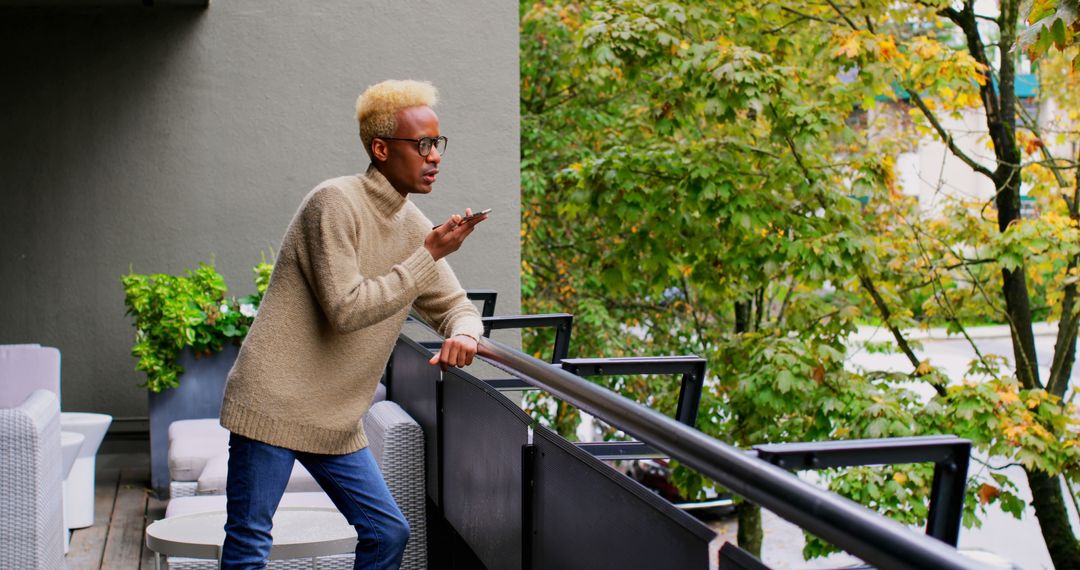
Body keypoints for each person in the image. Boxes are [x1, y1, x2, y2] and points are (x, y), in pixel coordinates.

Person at [218, 79, 487, 569]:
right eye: (422, 144)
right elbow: (346, 309)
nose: (435, 156)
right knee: (250, 543)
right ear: (381, 149)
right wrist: (428, 255)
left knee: (388, 533)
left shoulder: (412, 226)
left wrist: (466, 332)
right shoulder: (334, 203)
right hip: (273, 403)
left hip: (335, 418)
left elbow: (456, 304)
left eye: (438, 143)